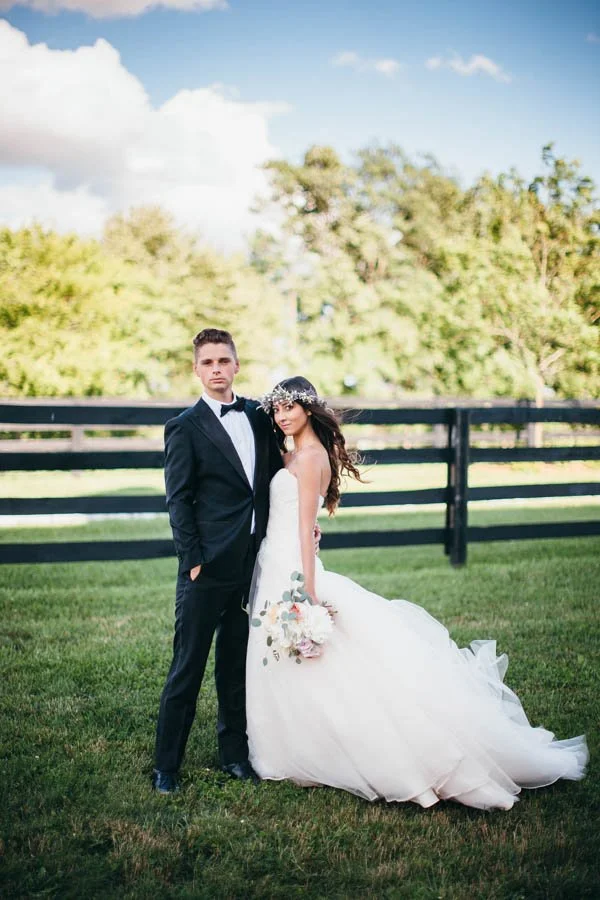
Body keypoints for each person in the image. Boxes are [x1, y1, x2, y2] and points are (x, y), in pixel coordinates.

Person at [246, 376, 588, 810]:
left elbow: (301, 527)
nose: (282, 416)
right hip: (275, 560)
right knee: (283, 657)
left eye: (289, 407)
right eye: (276, 410)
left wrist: (308, 592)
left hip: (292, 568)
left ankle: (348, 749)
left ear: (309, 409)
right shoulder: (294, 454)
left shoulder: (312, 458)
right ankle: (292, 743)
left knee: (322, 658)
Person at [152, 328, 284, 794]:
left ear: (236, 365)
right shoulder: (184, 427)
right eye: (207, 362)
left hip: (251, 564)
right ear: (196, 369)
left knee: (235, 665)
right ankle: (166, 764)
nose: (216, 370)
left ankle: (234, 755)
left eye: (223, 361)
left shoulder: (257, 415)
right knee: (187, 666)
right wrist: (192, 560)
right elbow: (179, 499)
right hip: (205, 568)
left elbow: (277, 475)